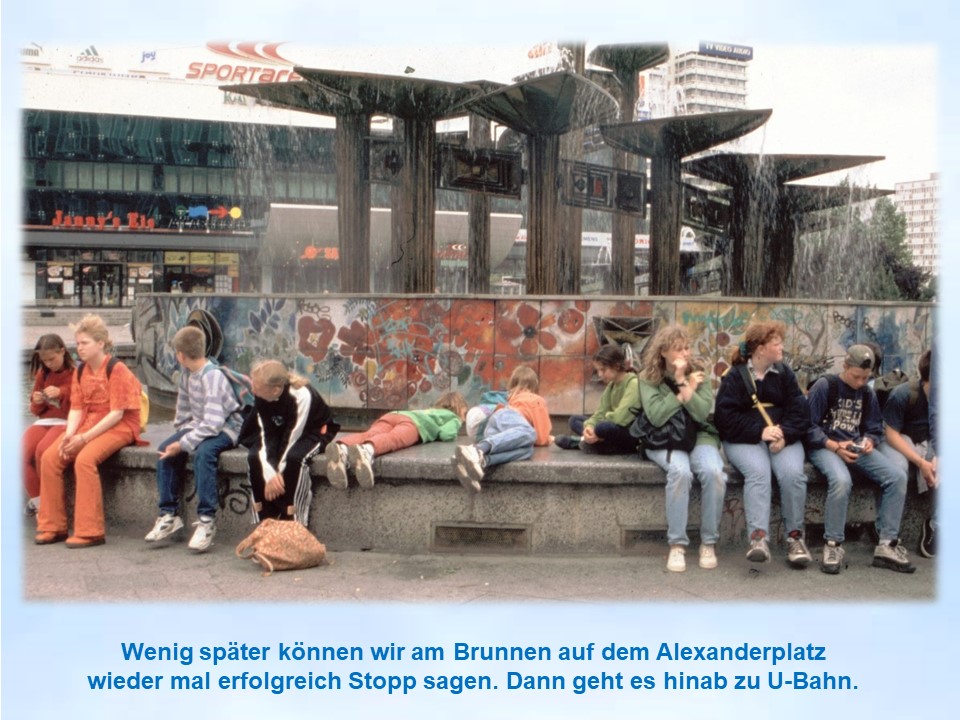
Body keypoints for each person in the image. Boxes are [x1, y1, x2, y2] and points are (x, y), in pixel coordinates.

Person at [36, 315, 146, 548]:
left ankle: (91, 530)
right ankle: (52, 525)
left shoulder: (117, 369)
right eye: (78, 343)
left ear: (101, 343)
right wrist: (68, 435)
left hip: (120, 425)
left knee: (85, 460)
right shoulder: (80, 371)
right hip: (90, 421)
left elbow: (117, 414)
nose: (79, 348)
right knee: (50, 458)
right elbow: (76, 407)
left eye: (84, 343)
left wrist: (83, 438)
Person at [806, 344, 913, 574]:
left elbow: (874, 427)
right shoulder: (825, 385)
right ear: (845, 367)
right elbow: (808, 427)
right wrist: (835, 446)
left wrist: (869, 441)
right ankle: (833, 545)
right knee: (842, 480)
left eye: (866, 377)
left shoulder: (867, 392)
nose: (860, 382)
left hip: (855, 446)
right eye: (856, 377)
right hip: (825, 447)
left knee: (896, 477)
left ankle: (887, 544)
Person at [714, 320, 813, 568]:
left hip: (781, 436)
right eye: (776, 343)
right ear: (760, 349)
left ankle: (795, 539)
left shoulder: (784, 373)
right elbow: (725, 419)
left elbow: (800, 412)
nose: (781, 348)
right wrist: (760, 431)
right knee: (758, 473)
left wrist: (785, 434)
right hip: (744, 439)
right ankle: (758, 539)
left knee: (793, 475)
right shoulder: (735, 377)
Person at [143, 326, 245, 552]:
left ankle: (207, 520)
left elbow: (214, 423)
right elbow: (184, 411)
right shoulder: (188, 374)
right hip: (201, 425)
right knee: (164, 449)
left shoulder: (213, 377)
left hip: (227, 428)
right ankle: (168, 514)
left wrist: (183, 444)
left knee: (204, 453)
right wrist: (180, 434)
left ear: (180, 355)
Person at [638, 325, 727, 572]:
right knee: (680, 473)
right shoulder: (647, 378)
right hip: (666, 439)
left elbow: (700, 414)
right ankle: (677, 545)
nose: (685, 353)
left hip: (699, 436)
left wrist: (681, 381)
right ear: (664, 351)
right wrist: (682, 390)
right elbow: (656, 416)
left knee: (714, 473)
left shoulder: (700, 372)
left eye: (687, 347)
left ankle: (708, 542)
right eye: (678, 349)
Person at [242, 360, 339, 525]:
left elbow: (293, 437)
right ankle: (265, 519)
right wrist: (270, 475)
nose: (253, 391)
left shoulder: (300, 395)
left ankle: (295, 520)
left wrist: (277, 472)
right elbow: (265, 435)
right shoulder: (260, 397)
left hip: (311, 430)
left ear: (275, 389)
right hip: (278, 428)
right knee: (254, 457)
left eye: (257, 388)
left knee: (295, 459)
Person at [325, 392, 468, 489]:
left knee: (369, 433)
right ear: (460, 408)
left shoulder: (431, 411)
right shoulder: (453, 417)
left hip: (394, 415)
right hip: (414, 424)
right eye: (465, 413)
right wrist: (458, 423)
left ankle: (342, 448)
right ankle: (367, 451)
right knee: (394, 439)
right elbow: (445, 434)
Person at [453, 365, 553, 493]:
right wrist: (550, 439)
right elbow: (541, 437)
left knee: (527, 450)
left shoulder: (511, 397)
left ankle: (480, 461)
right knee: (530, 433)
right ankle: (477, 450)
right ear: (535, 385)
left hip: (489, 424)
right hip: (502, 416)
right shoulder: (536, 399)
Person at [877, 349, 937, 558]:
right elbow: (890, 434)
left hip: (926, 441)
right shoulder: (903, 394)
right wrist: (920, 461)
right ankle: (886, 535)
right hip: (897, 440)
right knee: (898, 471)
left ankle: (936, 523)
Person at [22, 334, 75, 516]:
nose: (49, 364)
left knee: (43, 451)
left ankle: (49, 506)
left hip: (66, 421)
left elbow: (78, 405)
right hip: (44, 421)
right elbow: (36, 410)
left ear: (62, 351)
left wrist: (61, 393)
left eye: (52, 359)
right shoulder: (42, 373)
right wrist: (37, 400)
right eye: (44, 361)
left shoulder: (75, 373)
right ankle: (39, 502)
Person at [553, 344, 640, 454]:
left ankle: (581, 442)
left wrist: (596, 429)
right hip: (609, 429)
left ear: (617, 366)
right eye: (598, 371)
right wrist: (589, 427)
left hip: (629, 433)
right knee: (574, 420)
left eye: (603, 370)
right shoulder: (611, 386)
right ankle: (594, 442)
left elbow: (620, 418)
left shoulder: (633, 384)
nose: (600, 374)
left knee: (602, 427)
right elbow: (600, 413)